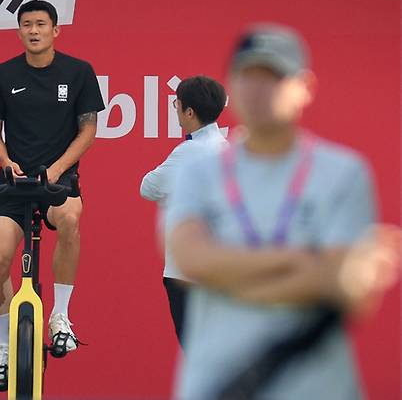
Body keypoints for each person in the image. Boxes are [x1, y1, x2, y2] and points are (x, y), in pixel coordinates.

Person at [165, 24, 401, 399]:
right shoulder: (198, 170)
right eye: (248, 75)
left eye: (274, 76)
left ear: (304, 87)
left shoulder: (343, 173)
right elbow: (192, 260)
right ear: (232, 87)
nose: (259, 88)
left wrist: (228, 271)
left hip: (314, 384)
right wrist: (312, 264)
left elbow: (343, 287)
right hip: (219, 382)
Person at [0, 0, 105, 389]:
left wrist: (57, 168)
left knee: (69, 218)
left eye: (41, 24)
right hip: (13, 183)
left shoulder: (79, 72)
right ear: (19, 32)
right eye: (27, 25)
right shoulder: (1, 74)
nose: (34, 31)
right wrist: (5, 162)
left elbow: (87, 131)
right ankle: (2, 346)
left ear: (55, 30)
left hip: (58, 180)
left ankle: (60, 316)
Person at [140, 75, 228, 345]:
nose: (175, 109)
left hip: (187, 274)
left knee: (198, 354)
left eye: (176, 104)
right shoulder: (229, 149)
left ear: (189, 112)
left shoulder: (188, 152)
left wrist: (174, 197)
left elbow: (148, 187)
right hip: (222, 270)